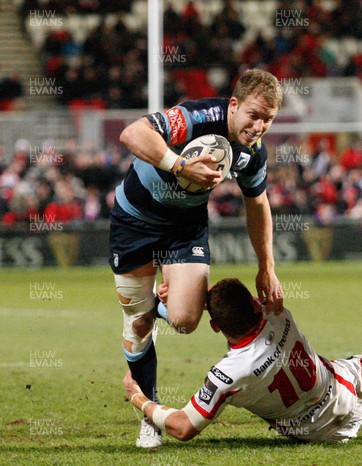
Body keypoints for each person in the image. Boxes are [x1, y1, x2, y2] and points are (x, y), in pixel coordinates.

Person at [111, 69, 285, 448]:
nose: (258, 127)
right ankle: (150, 414)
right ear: (234, 105)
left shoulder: (253, 152)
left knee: (186, 320)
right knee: (137, 325)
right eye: (253, 115)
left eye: (268, 120)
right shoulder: (196, 117)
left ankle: (156, 307)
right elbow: (131, 134)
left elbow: (257, 204)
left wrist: (266, 267)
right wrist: (177, 164)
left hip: (184, 228)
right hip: (134, 222)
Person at [123, 278, 362, 444]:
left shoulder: (226, 375)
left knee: (356, 395)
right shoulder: (277, 311)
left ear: (214, 326)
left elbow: (183, 428)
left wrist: (141, 399)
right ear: (256, 303)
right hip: (345, 395)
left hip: (306, 433)